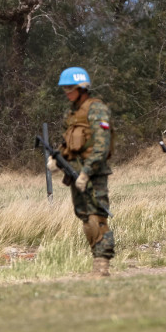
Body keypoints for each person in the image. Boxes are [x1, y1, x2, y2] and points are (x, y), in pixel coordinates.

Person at [50, 67, 115, 277]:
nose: (66, 92)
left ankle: (102, 264)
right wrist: (57, 159)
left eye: (70, 88)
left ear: (82, 88)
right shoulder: (70, 113)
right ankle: (97, 259)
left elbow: (101, 145)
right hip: (74, 173)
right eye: (65, 88)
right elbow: (68, 143)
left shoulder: (97, 109)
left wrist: (87, 172)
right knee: (86, 218)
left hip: (93, 174)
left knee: (97, 217)